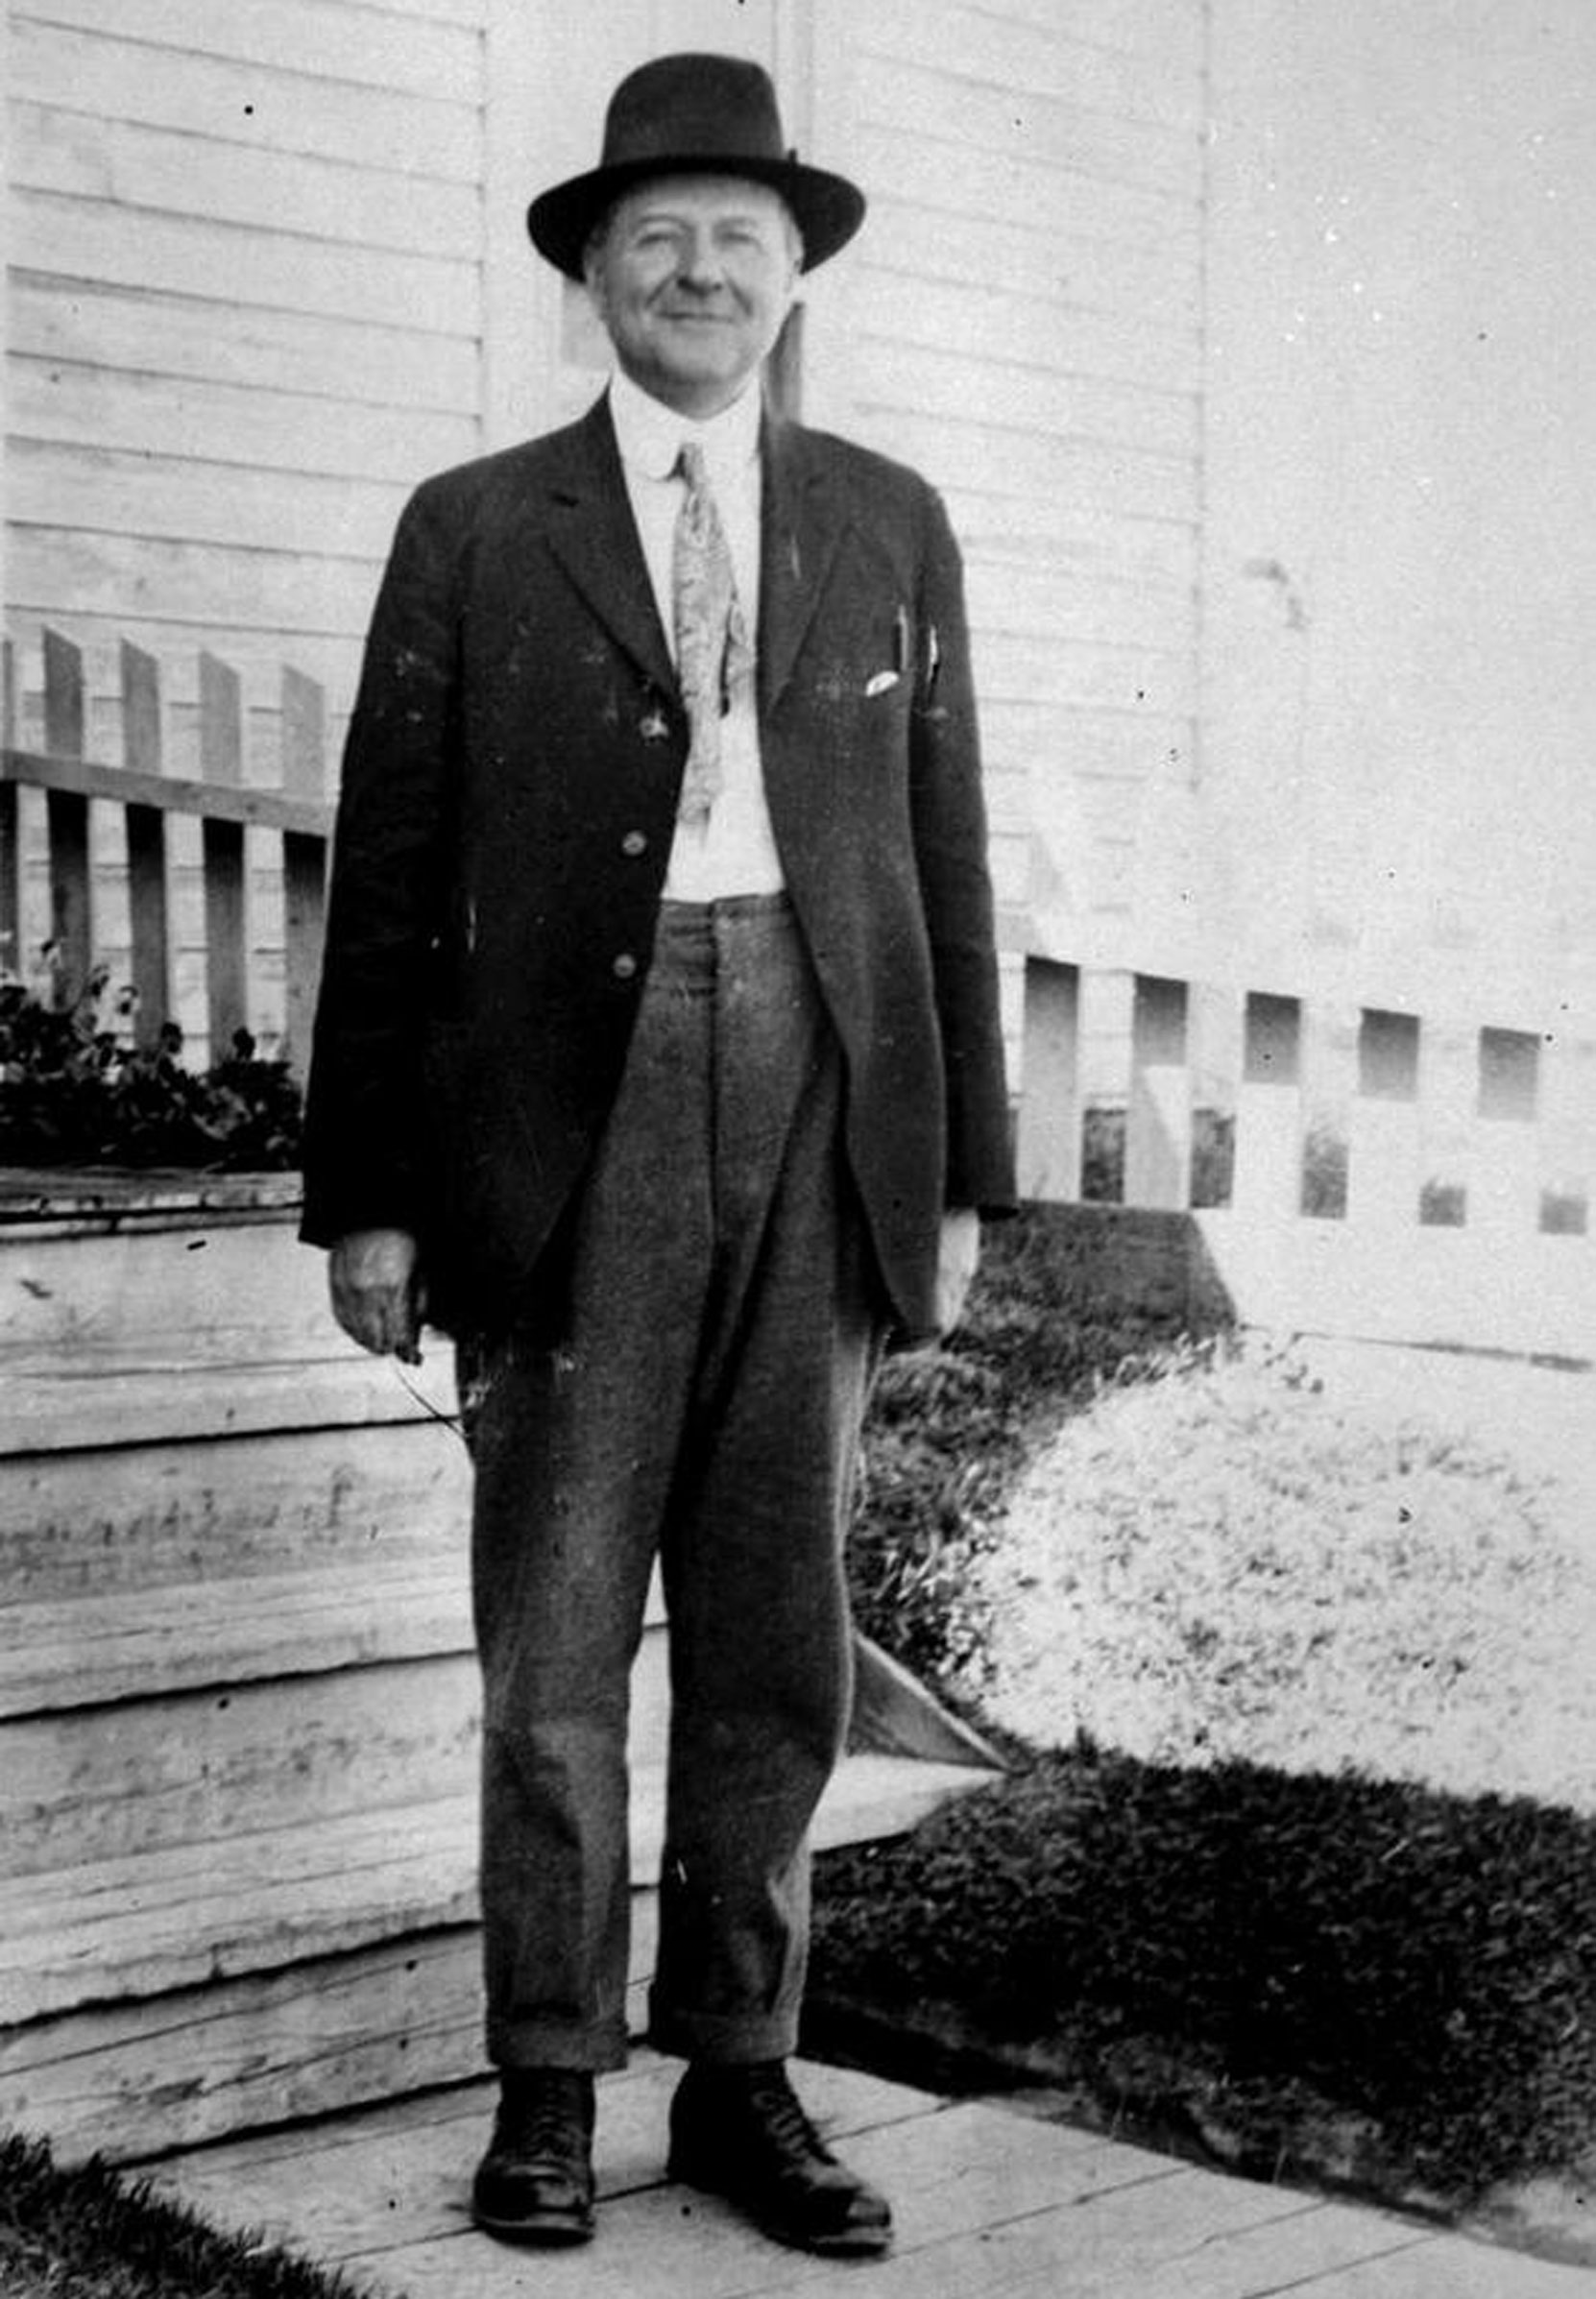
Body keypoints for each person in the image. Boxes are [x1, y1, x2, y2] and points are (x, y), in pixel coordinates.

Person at [300, 50, 1014, 2263]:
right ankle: (543, 2086)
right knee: (559, 1633)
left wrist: (963, 1171)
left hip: (825, 1099)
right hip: (563, 1116)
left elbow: (944, 857)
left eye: (741, 237)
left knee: (781, 1632)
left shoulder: (887, 518)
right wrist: (374, 1191)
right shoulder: (476, 522)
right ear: (595, 276)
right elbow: (393, 872)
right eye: (658, 237)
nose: (701, 270)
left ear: (796, 275)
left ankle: (739, 2074)